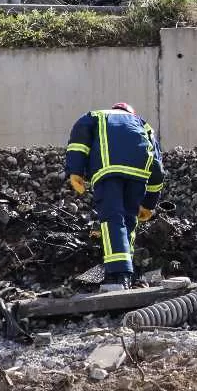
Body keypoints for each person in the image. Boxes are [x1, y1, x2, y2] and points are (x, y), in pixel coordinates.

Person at [65, 103, 166, 291]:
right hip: (138, 174)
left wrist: (75, 170)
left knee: (112, 218)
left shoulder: (96, 115)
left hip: (108, 171)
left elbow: (79, 140)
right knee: (129, 219)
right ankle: (127, 271)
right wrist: (149, 203)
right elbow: (157, 166)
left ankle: (118, 276)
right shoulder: (142, 124)